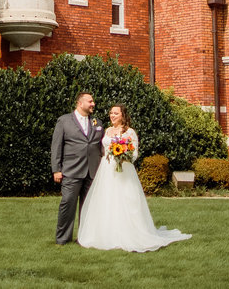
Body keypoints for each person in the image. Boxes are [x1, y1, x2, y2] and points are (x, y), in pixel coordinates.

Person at [77, 104, 191, 252]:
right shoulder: (107, 130)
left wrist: (123, 155)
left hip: (124, 169)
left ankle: (130, 233)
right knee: (107, 199)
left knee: (126, 200)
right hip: (106, 169)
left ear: (123, 115)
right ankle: (107, 233)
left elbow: (135, 153)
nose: (112, 116)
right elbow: (103, 150)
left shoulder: (130, 132)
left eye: (116, 113)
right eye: (111, 113)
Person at [51, 91, 102, 245]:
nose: (93, 104)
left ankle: (85, 238)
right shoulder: (64, 121)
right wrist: (56, 169)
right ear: (80, 103)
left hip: (92, 171)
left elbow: (100, 145)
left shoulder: (97, 122)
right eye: (90, 101)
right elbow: (56, 146)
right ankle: (63, 238)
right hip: (71, 170)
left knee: (88, 207)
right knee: (67, 203)